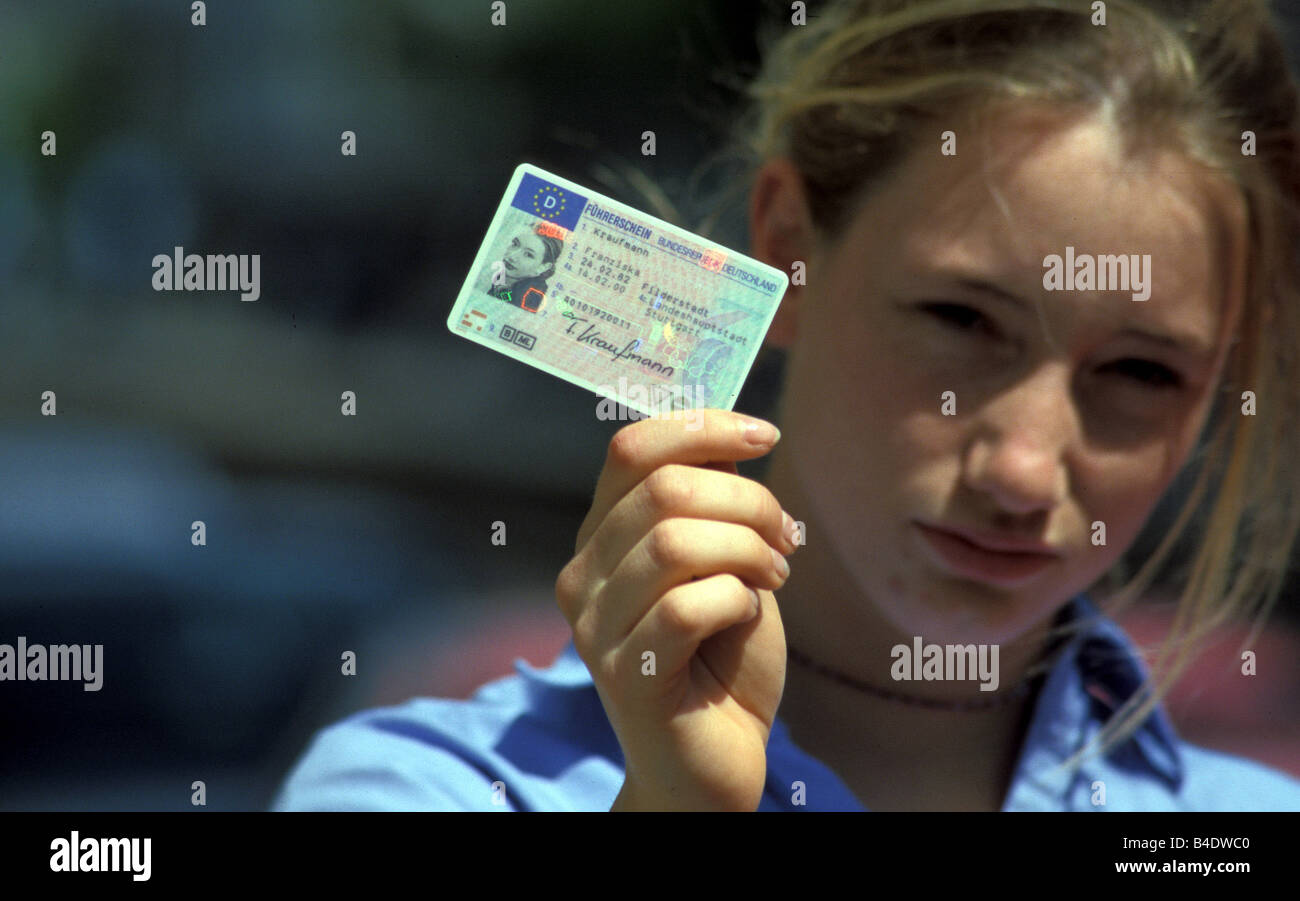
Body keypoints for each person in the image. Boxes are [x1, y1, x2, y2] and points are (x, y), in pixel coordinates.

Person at [273, 0, 1300, 811]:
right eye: (960, 318)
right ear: (788, 250)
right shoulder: (420, 788)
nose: (1023, 470)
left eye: (1139, 374)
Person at [484, 223, 563, 312]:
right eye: (515, 244)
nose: (512, 256)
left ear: (543, 267)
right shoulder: (504, 280)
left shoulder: (529, 298)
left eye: (528, 255)